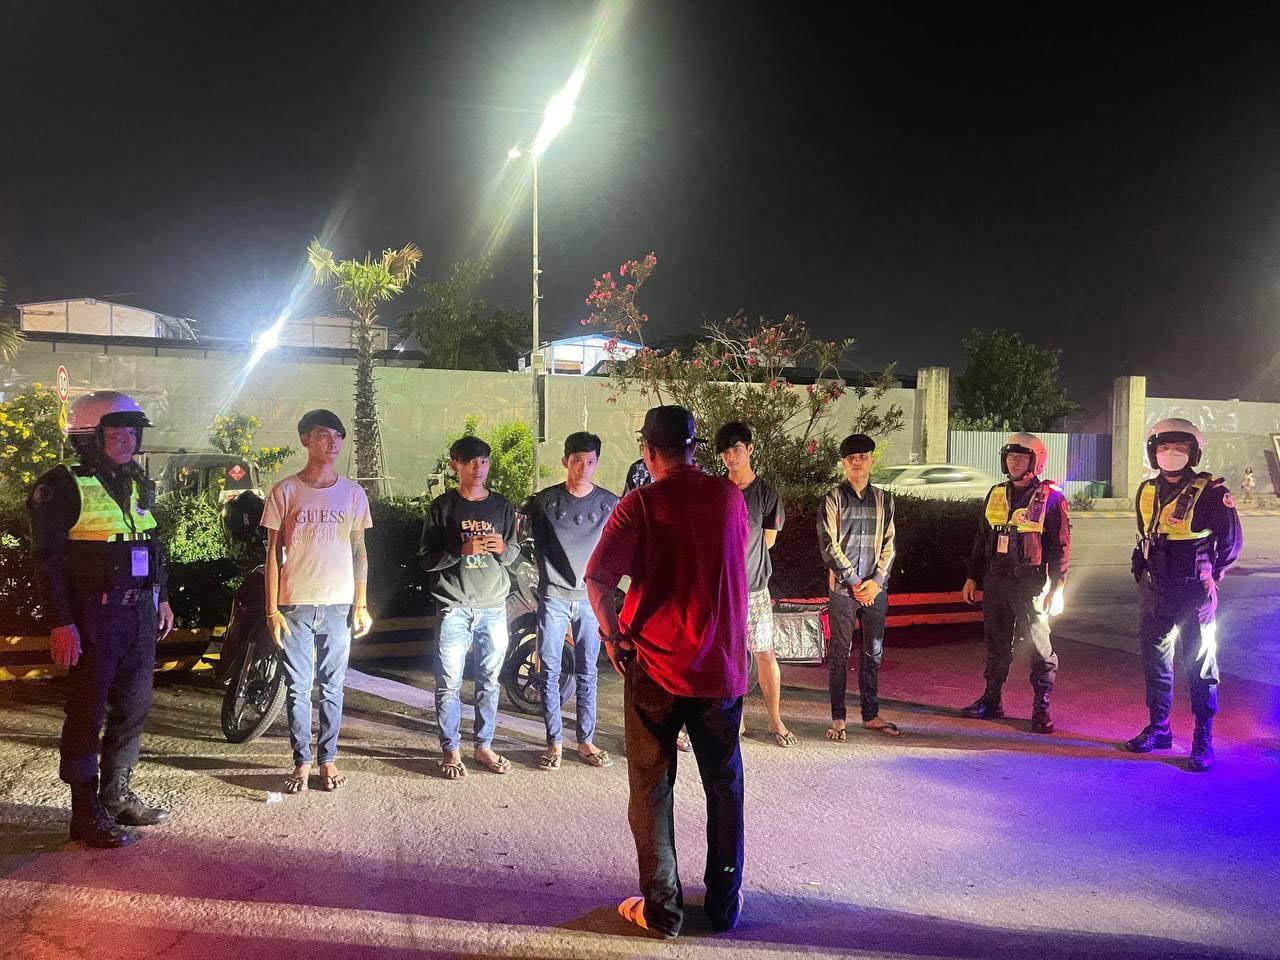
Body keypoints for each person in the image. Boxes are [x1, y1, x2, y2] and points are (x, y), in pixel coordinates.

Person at [586, 405, 749, 939]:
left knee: (652, 788)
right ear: (694, 447)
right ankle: (724, 904)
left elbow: (598, 579)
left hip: (655, 666)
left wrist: (612, 636)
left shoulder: (640, 504)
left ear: (648, 451)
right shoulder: (729, 497)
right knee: (724, 785)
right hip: (720, 668)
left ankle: (663, 911)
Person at [27, 391, 175, 848]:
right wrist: (61, 622)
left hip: (138, 614)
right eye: (117, 433)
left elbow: (151, 545)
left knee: (133, 709)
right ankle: (84, 813)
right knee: (86, 714)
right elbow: (47, 561)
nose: (128, 440)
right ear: (90, 437)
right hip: (94, 617)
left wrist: (162, 599)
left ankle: (115, 796)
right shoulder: (60, 486)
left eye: (133, 433)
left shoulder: (136, 482)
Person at [261, 409, 373, 794]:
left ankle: (328, 759)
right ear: (306, 440)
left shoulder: (353, 493)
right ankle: (302, 761)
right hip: (295, 603)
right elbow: (272, 554)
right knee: (298, 687)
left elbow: (359, 550)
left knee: (332, 686)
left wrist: (361, 603)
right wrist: (271, 610)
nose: (332, 443)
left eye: (338, 437)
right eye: (324, 435)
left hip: (339, 604)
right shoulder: (285, 491)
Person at [1124, 418, 1242, 772]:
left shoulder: (1211, 492)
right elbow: (1146, 533)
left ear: (1194, 453)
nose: (1171, 453)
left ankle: (1203, 736)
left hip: (1193, 591)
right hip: (1155, 589)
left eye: (1180, 447)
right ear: (1153, 452)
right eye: (1164, 447)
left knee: (1200, 664)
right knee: (1155, 662)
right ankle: (1159, 728)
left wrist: (1211, 574)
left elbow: (1232, 543)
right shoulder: (1146, 489)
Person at [420, 435, 521, 780]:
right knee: (448, 683)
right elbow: (426, 560)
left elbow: (512, 553)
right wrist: (459, 550)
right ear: (456, 465)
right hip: (454, 606)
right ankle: (451, 749)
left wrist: (502, 548)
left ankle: (484, 745)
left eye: (485, 461)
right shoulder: (442, 507)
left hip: (493, 606)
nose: (479, 468)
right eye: (471, 462)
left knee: (489, 681)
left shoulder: (502, 506)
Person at [960, 432, 1069, 734]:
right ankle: (991, 699)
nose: (1014, 462)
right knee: (996, 644)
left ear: (1036, 461)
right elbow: (982, 538)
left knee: (1038, 647)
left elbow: (1060, 546)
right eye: (1010, 457)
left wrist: (1058, 586)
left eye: (1021, 457)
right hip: (996, 580)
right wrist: (972, 576)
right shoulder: (996, 493)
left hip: (1031, 583)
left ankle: (1041, 709)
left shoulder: (1051, 497)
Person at [521, 431, 619, 770]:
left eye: (590, 461)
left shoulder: (609, 504)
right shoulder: (544, 502)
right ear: (565, 461)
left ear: (596, 463)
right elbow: (527, 542)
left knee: (588, 670)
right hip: (554, 596)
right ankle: (554, 742)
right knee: (549, 669)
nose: (583, 468)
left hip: (590, 598)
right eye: (577, 460)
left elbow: (617, 549)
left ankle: (586, 740)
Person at [817, 433, 901, 740]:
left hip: (875, 590)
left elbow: (890, 544)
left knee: (873, 652)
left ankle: (870, 714)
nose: (857, 462)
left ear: (871, 461)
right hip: (843, 591)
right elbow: (829, 545)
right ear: (844, 463)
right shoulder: (832, 499)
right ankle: (838, 718)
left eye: (862, 457)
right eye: (851, 458)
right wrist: (855, 582)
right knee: (840, 653)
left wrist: (876, 582)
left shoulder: (885, 500)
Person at [715, 421, 794, 747]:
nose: (731, 457)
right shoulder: (717, 491)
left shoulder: (766, 493)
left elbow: (769, 540)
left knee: (764, 653)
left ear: (749, 449)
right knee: (728, 657)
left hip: (755, 588)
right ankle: (737, 720)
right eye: (725, 452)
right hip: (722, 590)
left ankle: (775, 719)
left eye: (737, 449)